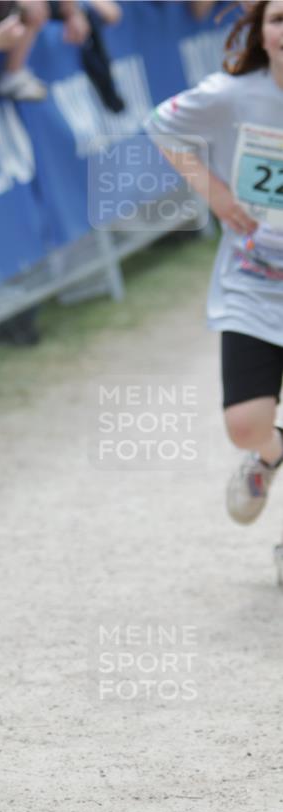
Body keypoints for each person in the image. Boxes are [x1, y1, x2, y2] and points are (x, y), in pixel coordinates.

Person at [146, 0, 283, 525]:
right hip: (254, 283)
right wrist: (216, 193)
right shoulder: (234, 94)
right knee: (246, 425)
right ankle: (269, 453)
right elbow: (160, 124)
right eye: (276, 19)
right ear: (260, 33)